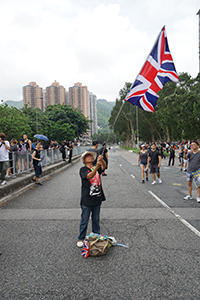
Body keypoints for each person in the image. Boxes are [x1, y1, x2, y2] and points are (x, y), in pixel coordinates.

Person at [77, 151, 106, 247]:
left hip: (97, 197)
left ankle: (96, 235)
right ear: (84, 160)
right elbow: (89, 176)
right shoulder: (83, 169)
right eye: (87, 156)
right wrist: (97, 166)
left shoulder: (95, 166)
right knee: (84, 220)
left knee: (96, 219)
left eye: (90, 156)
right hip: (86, 199)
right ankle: (81, 238)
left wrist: (102, 160)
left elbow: (103, 168)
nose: (89, 157)